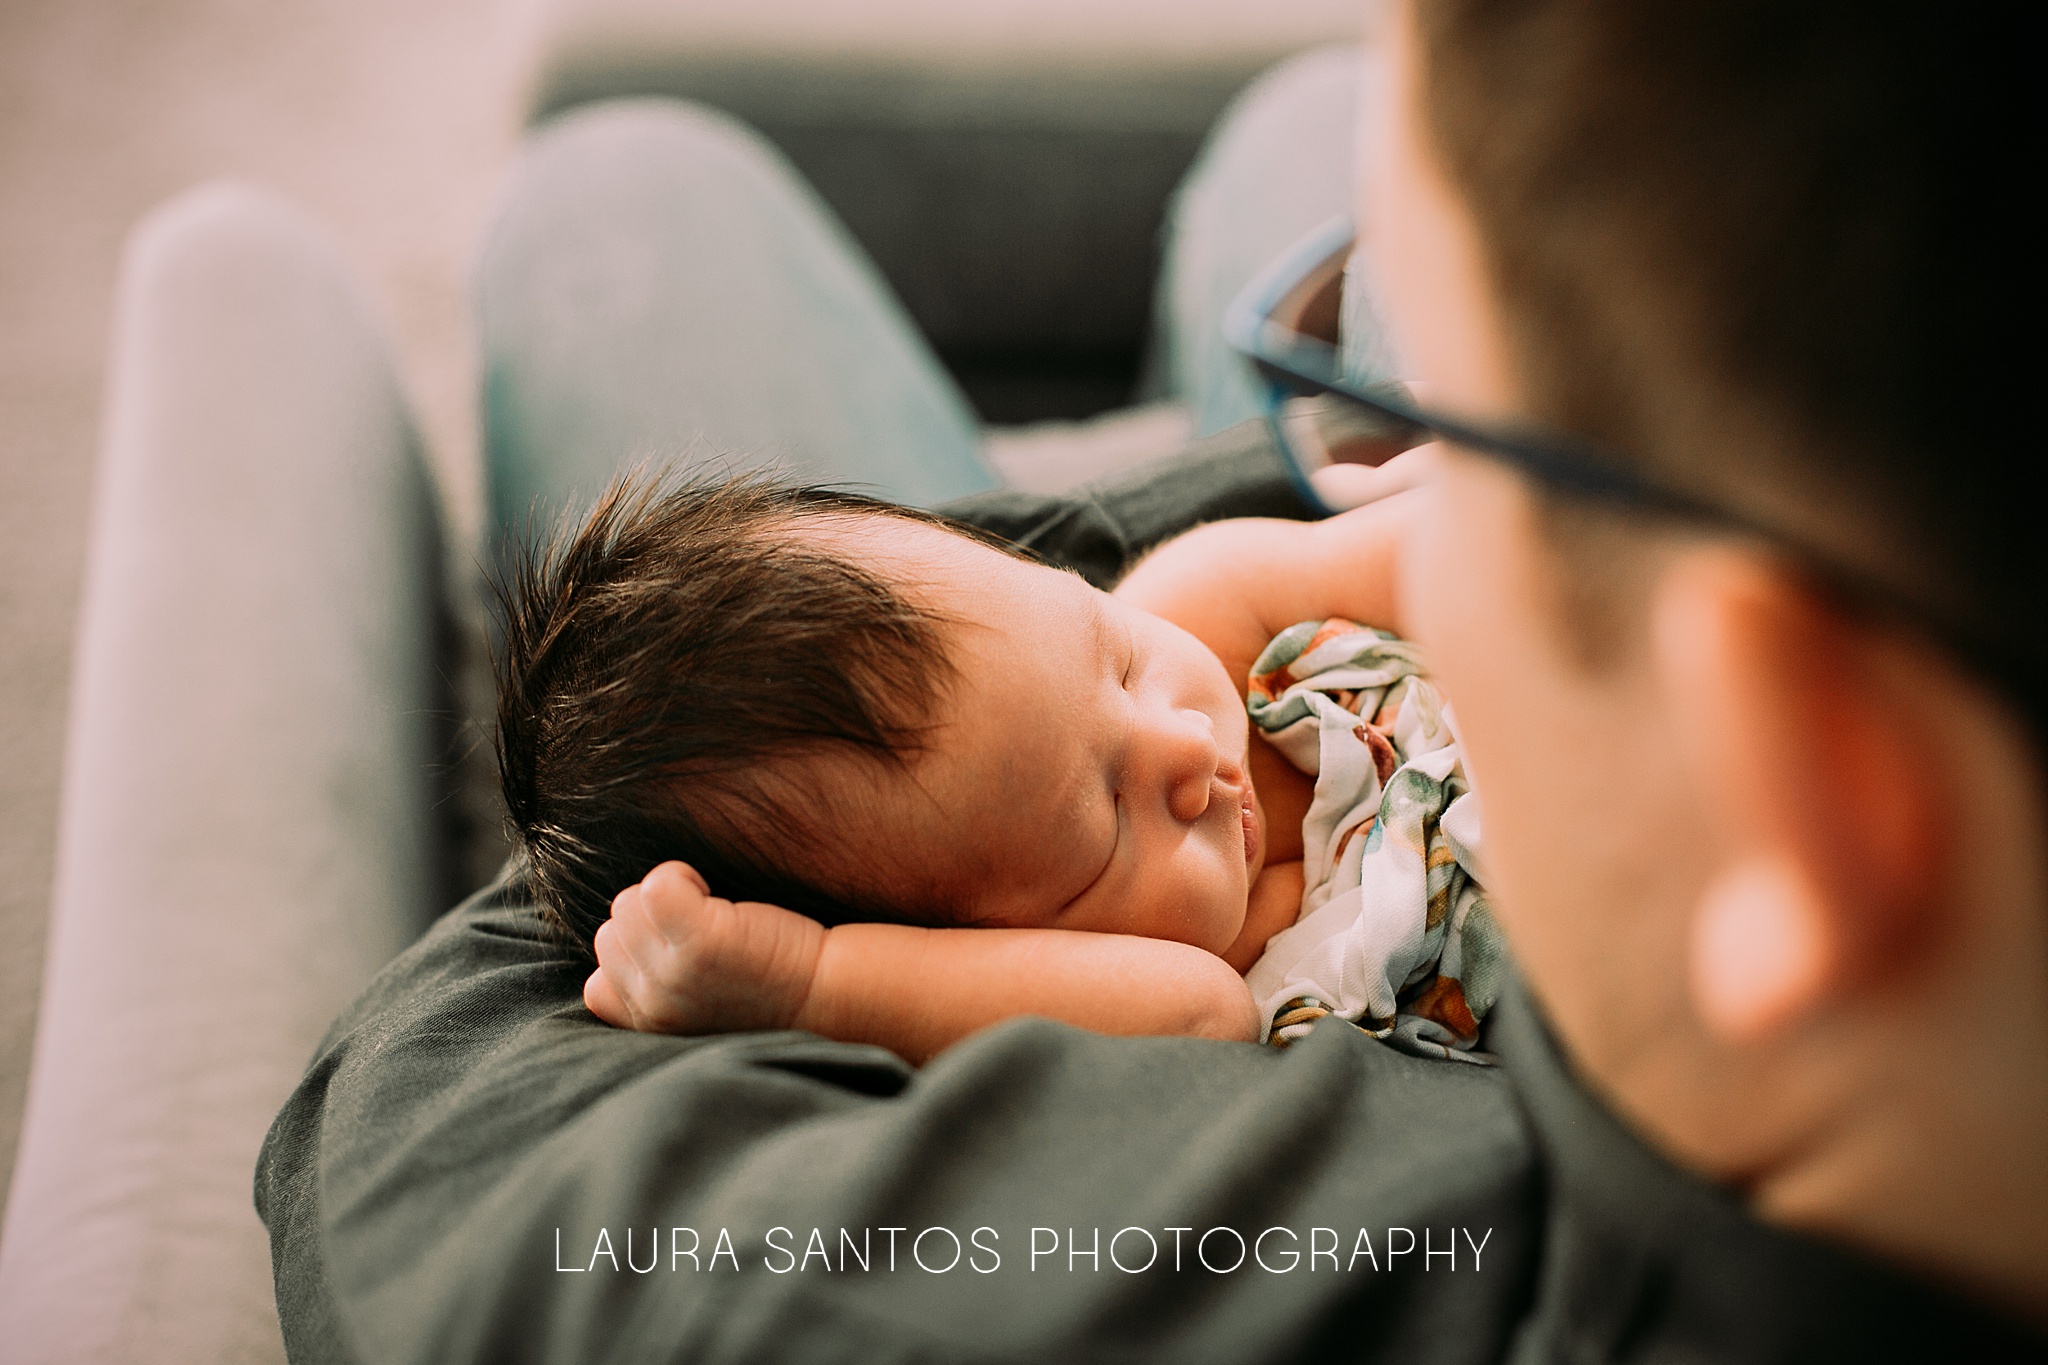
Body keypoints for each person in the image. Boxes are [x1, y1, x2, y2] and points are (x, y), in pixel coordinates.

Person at [253, 3, 2045, 1363]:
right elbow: (1253, 564)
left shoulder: (1364, 1228)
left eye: (1425, 411)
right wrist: (1038, 638)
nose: (1181, 746)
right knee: (1299, 125)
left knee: (618, 188)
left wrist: (811, 956)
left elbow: (423, 1120)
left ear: (1805, 775)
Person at [494, 464, 1495, 1063]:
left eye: (1118, 656)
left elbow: (1465, 538)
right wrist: (813, 984)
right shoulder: (1197, 982)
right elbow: (1197, 1017)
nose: (1189, 749)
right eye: (1103, 822)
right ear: (985, 956)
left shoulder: (1215, 604)